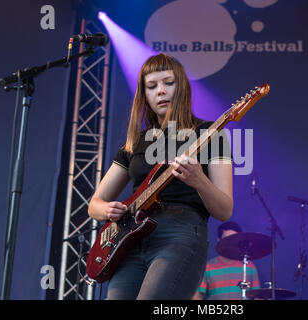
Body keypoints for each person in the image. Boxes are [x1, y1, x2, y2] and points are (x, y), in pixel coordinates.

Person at [87, 53, 233, 300]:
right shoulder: (134, 143)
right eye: (152, 86)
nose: (161, 91)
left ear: (182, 87)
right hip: (130, 241)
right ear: (144, 95)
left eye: (168, 82)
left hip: (180, 233)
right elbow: (94, 204)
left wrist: (199, 180)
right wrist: (107, 211)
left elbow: (225, 210)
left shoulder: (210, 133)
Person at [192, 222, 261, 300]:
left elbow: (257, 297)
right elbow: (197, 297)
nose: (231, 243)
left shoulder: (250, 267)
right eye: (227, 239)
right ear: (218, 240)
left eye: (234, 239)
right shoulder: (207, 267)